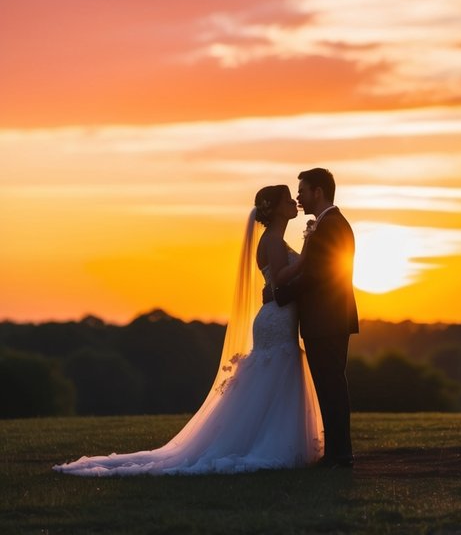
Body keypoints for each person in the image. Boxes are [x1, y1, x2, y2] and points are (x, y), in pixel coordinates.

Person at [54, 185, 322, 475]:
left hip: (276, 316)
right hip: (276, 320)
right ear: (276, 208)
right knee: (275, 374)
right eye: (287, 199)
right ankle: (265, 445)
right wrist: (307, 255)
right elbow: (281, 280)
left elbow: (275, 285)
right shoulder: (272, 240)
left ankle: (265, 439)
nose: (294, 202)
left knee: (272, 379)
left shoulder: (274, 239)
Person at [274, 167, 359, 468]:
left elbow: (319, 275)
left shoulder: (332, 226)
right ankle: (337, 452)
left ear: (318, 192)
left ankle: (340, 454)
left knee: (331, 385)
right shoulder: (327, 224)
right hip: (327, 318)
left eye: (302, 190)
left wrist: (278, 295)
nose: (298, 197)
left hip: (327, 319)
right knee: (329, 385)